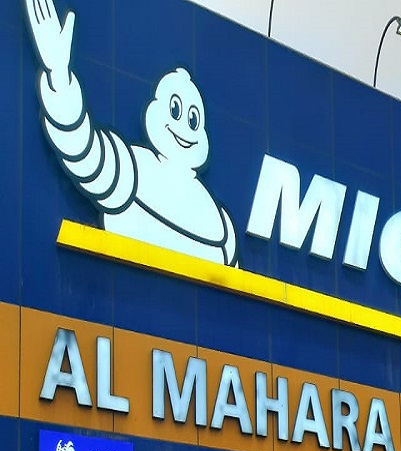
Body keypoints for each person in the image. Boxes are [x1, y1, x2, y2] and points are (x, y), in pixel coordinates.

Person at [25, 0, 240, 267]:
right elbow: (82, 150)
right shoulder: (134, 169)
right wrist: (59, 76)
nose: (184, 126)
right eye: (175, 110)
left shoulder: (221, 226)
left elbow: (235, 285)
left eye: (193, 119)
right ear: (156, 110)